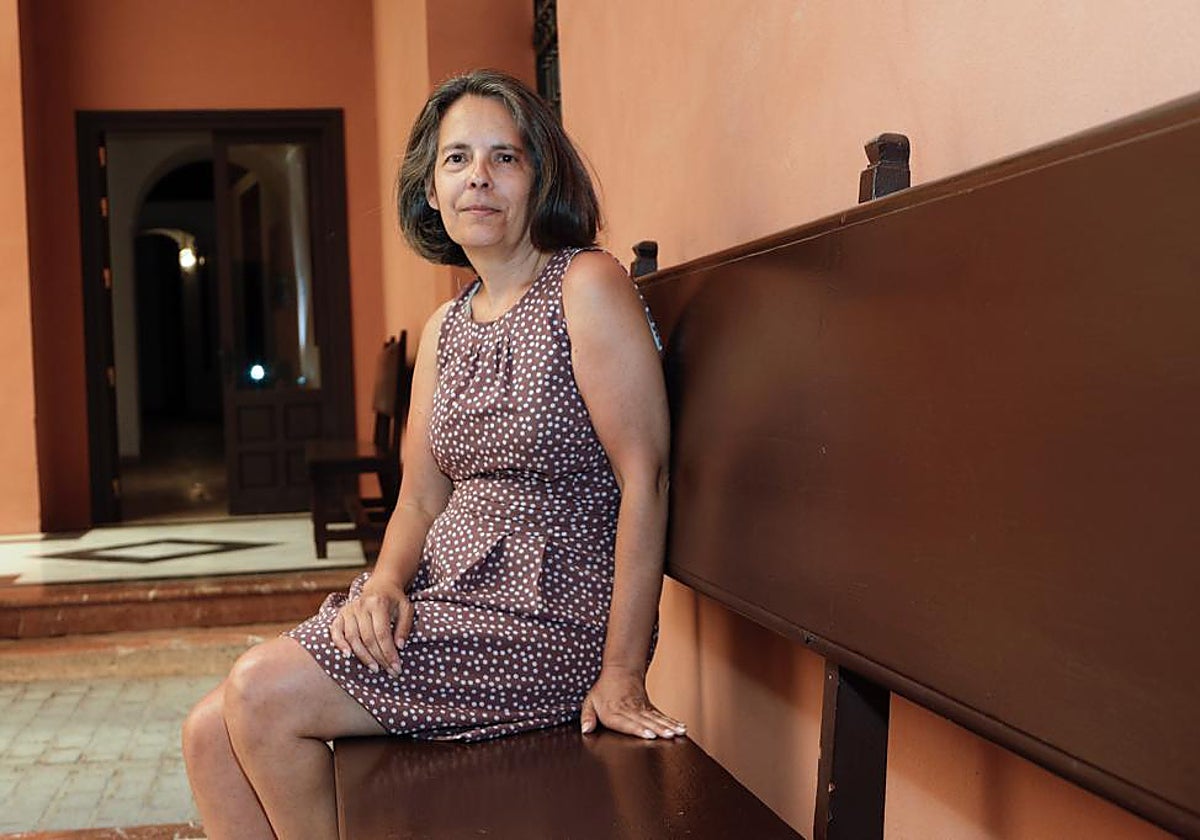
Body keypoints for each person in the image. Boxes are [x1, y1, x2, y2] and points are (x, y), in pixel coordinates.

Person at [181, 69, 685, 839]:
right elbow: (419, 496)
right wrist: (385, 583)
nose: (478, 177)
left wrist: (622, 672)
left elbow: (646, 477)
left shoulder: (585, 285)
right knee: (208, 735)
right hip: (452, 597)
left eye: (504, 157)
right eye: (456, 159)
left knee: (260, 693)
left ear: (540, 178)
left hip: (551, 619)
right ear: (431, 190)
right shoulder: (447, 327)